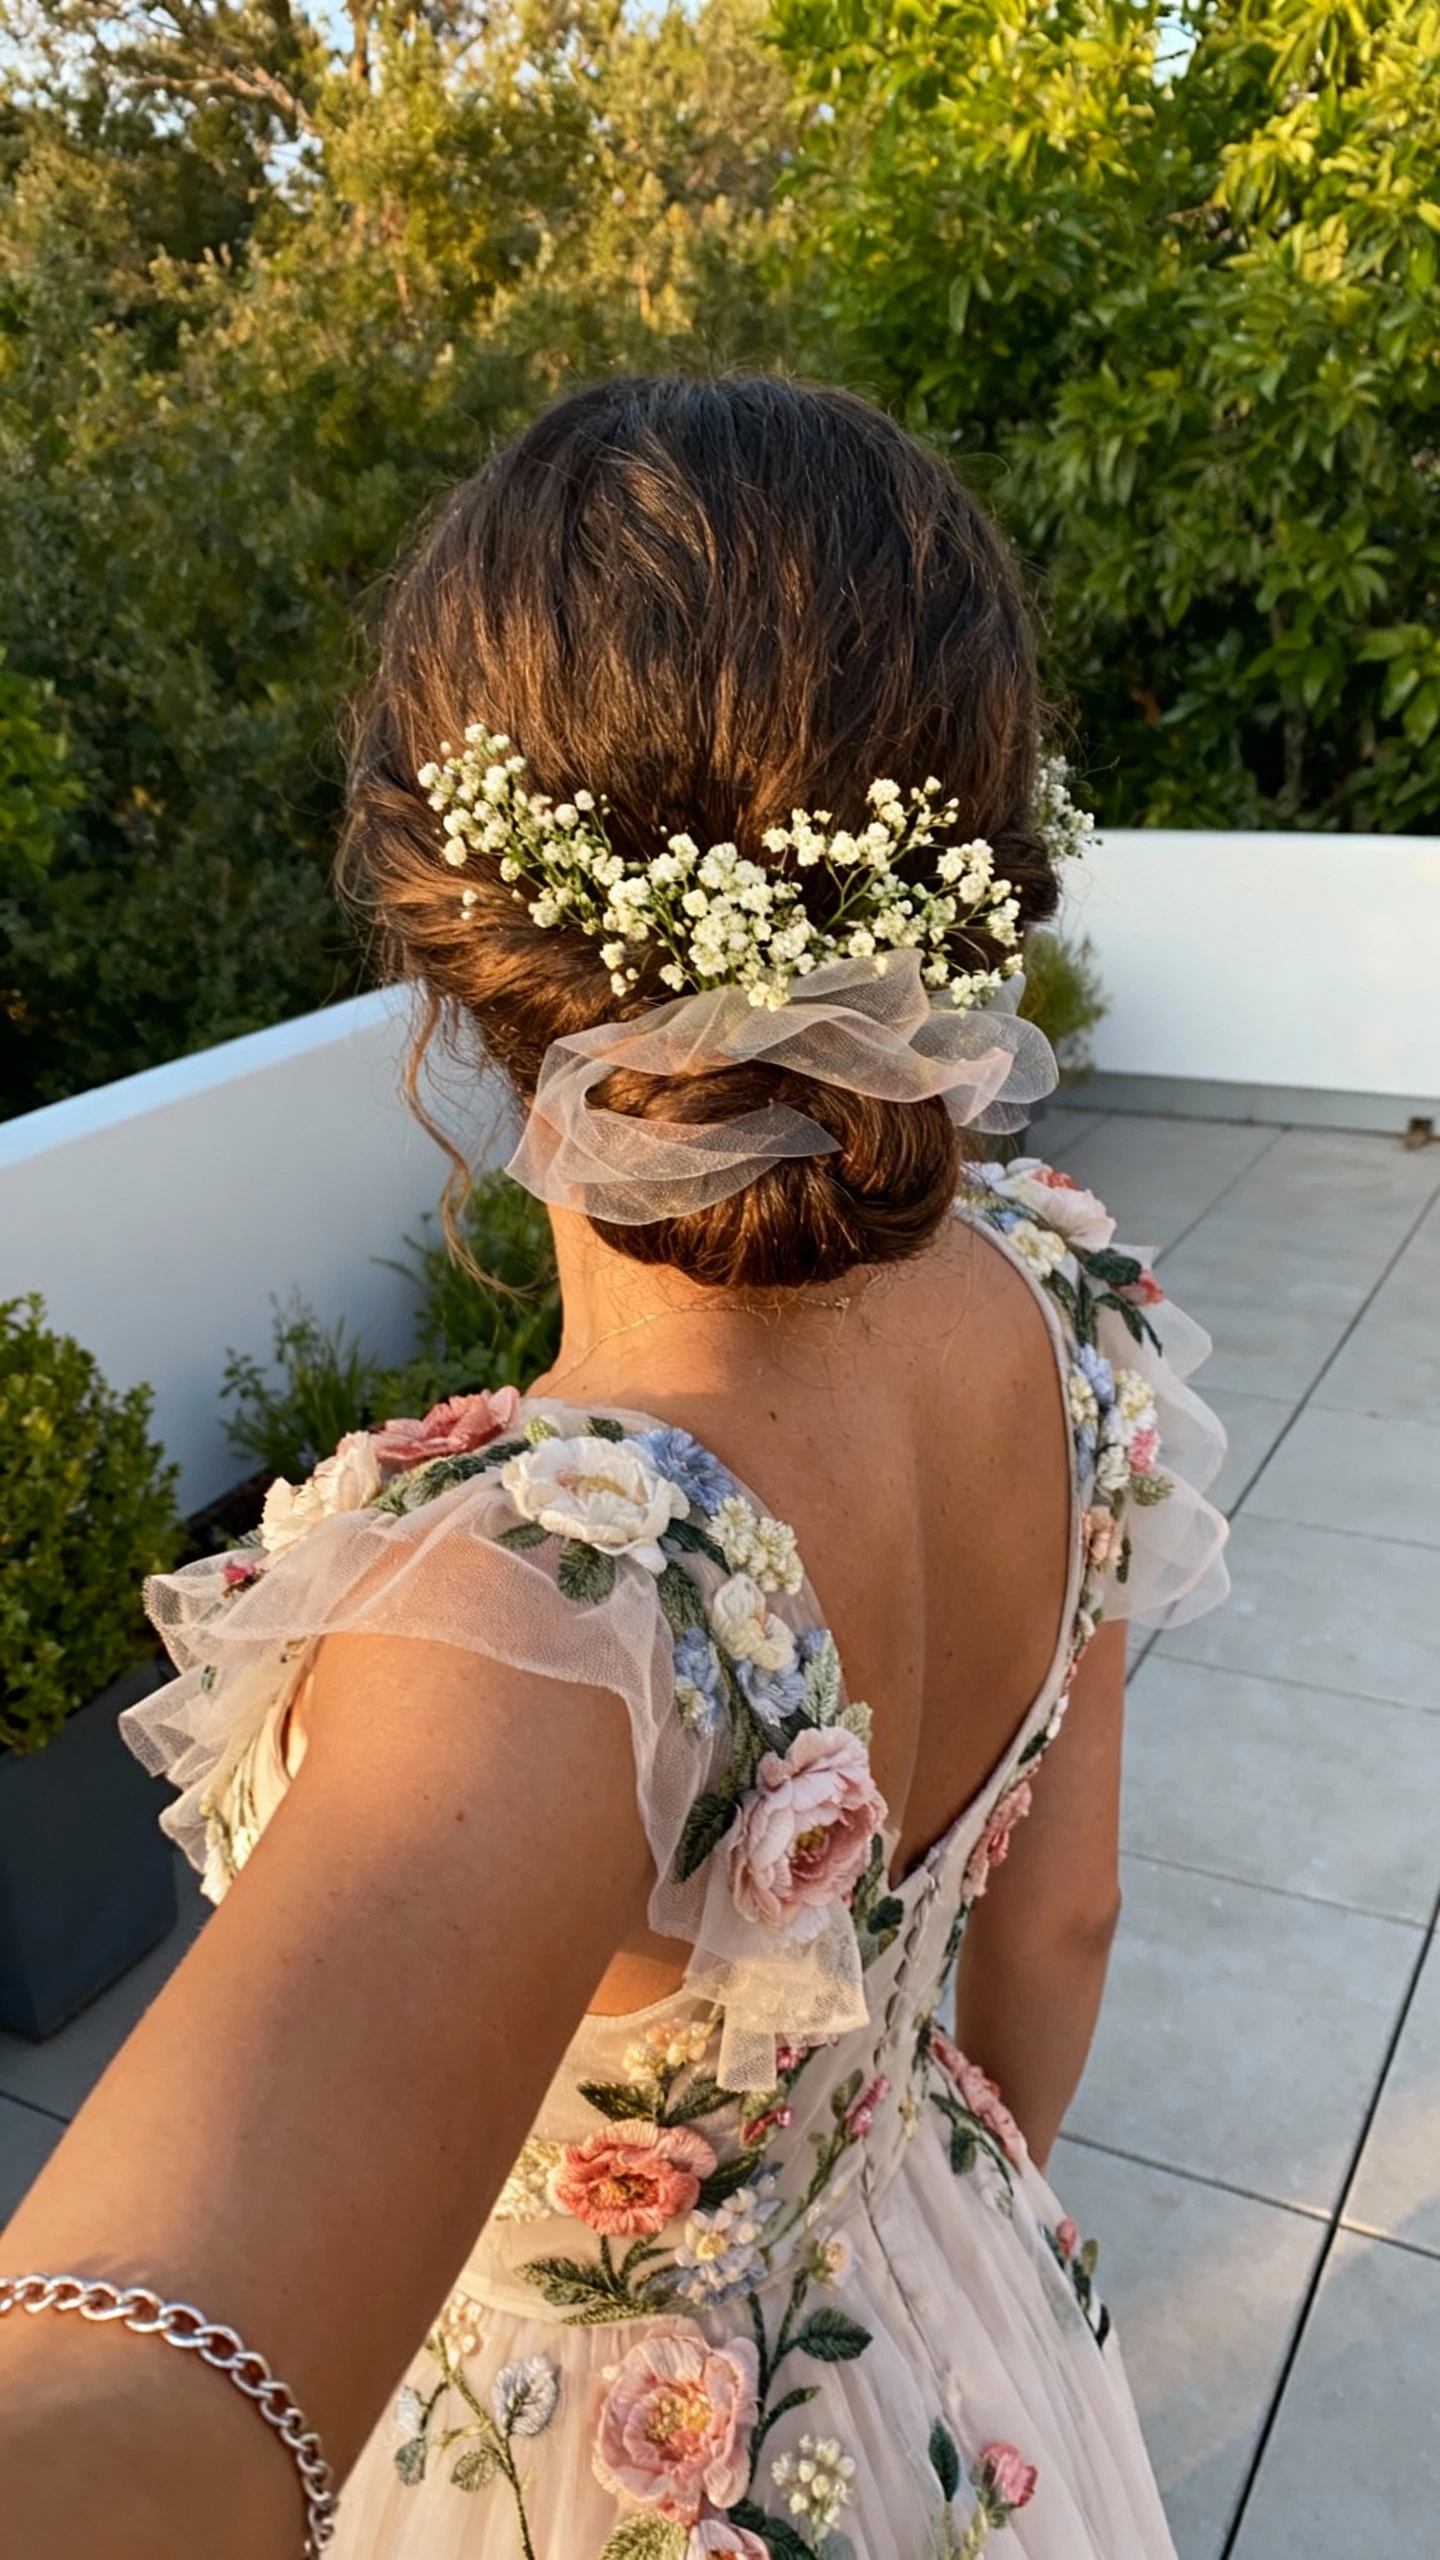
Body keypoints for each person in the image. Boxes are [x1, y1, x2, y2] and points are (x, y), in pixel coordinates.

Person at [0, 376, 1228, 2560]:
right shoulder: (1071, 1297)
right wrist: (913, 2260)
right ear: (959, 869)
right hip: (949, 2341)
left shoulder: (543, 1589)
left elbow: (141, 2366)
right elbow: (1071, 1912)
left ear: (444, 906)